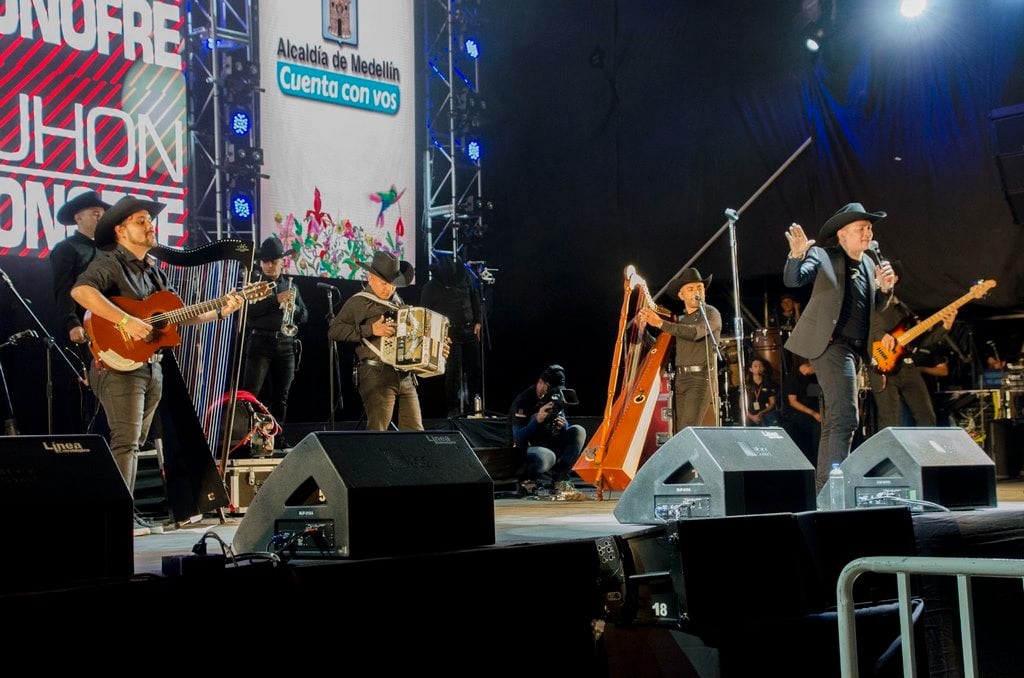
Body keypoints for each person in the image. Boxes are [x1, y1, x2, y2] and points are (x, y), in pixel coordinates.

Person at [70, 195, 244, 494]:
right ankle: (118, 511)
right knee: (126, 442)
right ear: (121, 231)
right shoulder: (110, 263)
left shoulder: (153, 270)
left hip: (150, 366)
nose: (150, 226)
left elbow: (178, 315)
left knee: (135, 443)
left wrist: (220, 310)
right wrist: (127, 322)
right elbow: (82, 292)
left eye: (149, 221)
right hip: (118, 365)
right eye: (141, 221)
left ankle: (125, 507)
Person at [783, 202, 896, 493]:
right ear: (842, 234)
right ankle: (833, 488)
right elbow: (795, 279)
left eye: (869, 227)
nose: (867, 231)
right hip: (830, 346)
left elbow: (873, 307)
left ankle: (826, 488)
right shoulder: (824, 256)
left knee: (836, 420)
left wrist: (884, 289)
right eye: (861, 227)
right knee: (846, 417)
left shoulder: (870, 264)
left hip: (854, 350)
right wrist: (796, 256)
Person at [328, 250, 441, 431]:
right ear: (370, 278)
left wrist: (436, 349)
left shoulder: (399, 302)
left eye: (392, 284)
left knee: (415, 431)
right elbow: (334, 331)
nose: (388, 288)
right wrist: (371, 329)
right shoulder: (359, 302)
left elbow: (414, 338)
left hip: (405, 375)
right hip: (376, 373)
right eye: (383, 283)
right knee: (378, 431)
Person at [866, 260, 956, 431]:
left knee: (927, 417)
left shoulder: (904, 309)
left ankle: (926, 455)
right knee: (889, 420)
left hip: (908, 367)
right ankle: (890, 457)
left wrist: (945, 327)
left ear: (895, 278)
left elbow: (922, 342)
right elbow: (864, 332)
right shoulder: (871, 305)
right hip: (881, 367)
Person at [241, 236, 308, 440]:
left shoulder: (290, 285)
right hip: (260, 342)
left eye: (274, 261)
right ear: (261, 262)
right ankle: (248, 435)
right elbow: (248, 312)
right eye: (266, 261)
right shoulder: (253, 283)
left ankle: (276, 436)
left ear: (282, 262)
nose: (270, 265)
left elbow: (305, 315)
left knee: (282, 396)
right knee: (251, 394)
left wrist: (293, 308)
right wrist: (274, 300)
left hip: (286, 344)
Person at [638, 267, 722, 431]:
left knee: (688, 427)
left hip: (700, 378)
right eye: (690, 289)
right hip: (681, 378)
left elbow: (695, 332)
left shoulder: (711, 313)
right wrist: (643, 332)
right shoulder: (682, 322)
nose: (696, 291)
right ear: (681, 295)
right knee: (679, 430)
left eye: (699, 287)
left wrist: (661, 323)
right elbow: (663, 346)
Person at [419, 255, 482, 417]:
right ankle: (453, 409)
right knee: (453, 372)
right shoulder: (431, 287)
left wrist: (478, 321)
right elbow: (424, 313)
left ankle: (475, 407)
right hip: (448, 334)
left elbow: (475, 298)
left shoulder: (465, 277)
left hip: (469, 330)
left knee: (474, 370)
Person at [509, 364, 586, 496]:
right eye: (550, 389)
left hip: (549, 442)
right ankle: (528, 481)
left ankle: (559, 480)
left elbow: (562, 422)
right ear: (541, 382)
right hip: (526, 448)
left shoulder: (554, 399)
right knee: (547, 456)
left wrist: (563, 426)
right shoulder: (523, 401)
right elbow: (518, 437)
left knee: (578, 431)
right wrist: (537, 420)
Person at [50, 190, 111, 346]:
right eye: (96, 213)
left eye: (103, 214)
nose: (101, 217)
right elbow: (64, 288)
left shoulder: (109, 249)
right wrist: (73, 323)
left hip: (113, 321)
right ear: (78, 218)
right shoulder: (66, 248)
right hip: (86, 323)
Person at [779, 358, 822, 466]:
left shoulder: (811, 378)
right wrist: (813, 413)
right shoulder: (793, 378)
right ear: (809, 365)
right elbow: (793, 402)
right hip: (797, 415)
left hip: (811, 413)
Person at [744, 356, 779, 426]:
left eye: (761, 366)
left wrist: (761, 413)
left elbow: (772, 403)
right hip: (750, 415)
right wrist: (751, 416)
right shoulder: (747, 385)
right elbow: (741, 404)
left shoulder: (768, 383)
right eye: (756, 366)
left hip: (765, 415)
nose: (759, 368)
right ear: (751, 369)